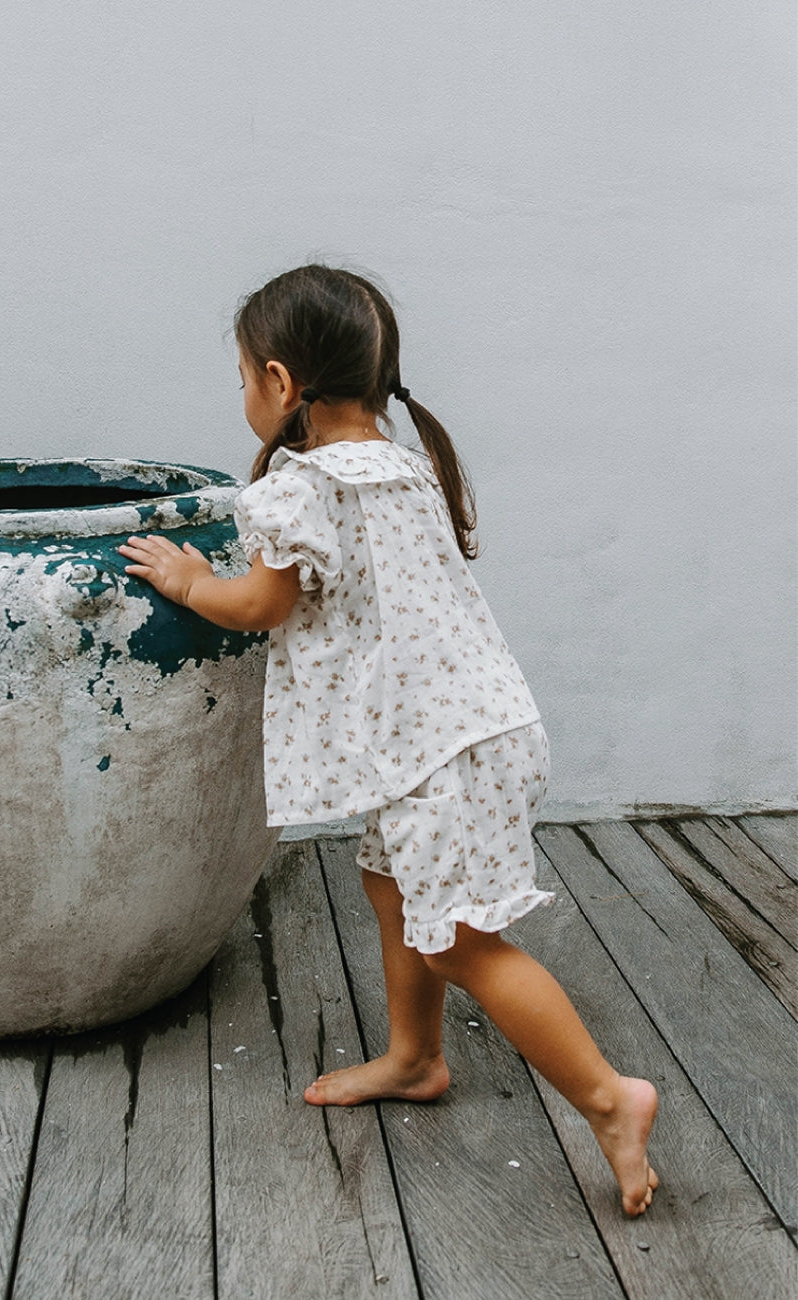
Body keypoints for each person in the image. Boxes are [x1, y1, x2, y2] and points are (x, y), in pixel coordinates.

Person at [118, 265, 659, 1216]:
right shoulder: (406, 465)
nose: (243, 395)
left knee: (463, 943)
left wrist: (190, 582)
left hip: (441, 751)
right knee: (393, 888)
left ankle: (612, 1100)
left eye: (243, 378)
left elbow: (264, 605)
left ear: (281, 382)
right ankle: (416, 1060)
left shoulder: (302, 488)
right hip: (465, 732)